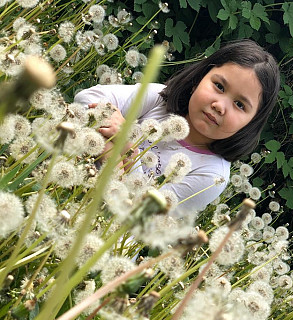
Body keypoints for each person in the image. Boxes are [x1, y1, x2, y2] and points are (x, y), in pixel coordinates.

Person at [74, 39, 280, 215]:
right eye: (219, 86)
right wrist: (112, 149)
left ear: (251, 123)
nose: (220, 106)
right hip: (71, 187)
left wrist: (125, 146)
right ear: (199, 80)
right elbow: (86, 99)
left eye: (240, 105)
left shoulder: (212, 175)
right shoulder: (159, 99)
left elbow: (145, 214)